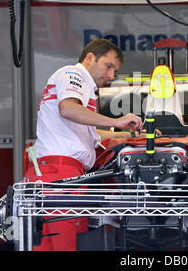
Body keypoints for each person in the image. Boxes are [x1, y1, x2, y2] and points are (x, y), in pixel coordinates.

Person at [24, 38, 143, 251]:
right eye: (108, 66)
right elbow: (68, 109)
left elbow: (90, 131)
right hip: (63, 177)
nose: (111, 75)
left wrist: (130, 133)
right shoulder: (74, 74)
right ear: (89, 58)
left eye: (115, 70)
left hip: (50, 175)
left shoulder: (78, 85)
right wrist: (117, 121)